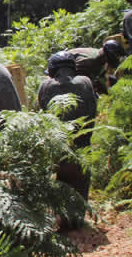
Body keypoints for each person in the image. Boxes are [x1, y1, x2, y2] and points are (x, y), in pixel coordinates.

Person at [37, 51, 97, 207]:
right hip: (83, 150)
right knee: (81, 190)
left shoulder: (45, 85)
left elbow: (41, 113)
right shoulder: (86, 82)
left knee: (62, 191)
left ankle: (63, 216)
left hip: (59, 152)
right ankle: (79, 219)